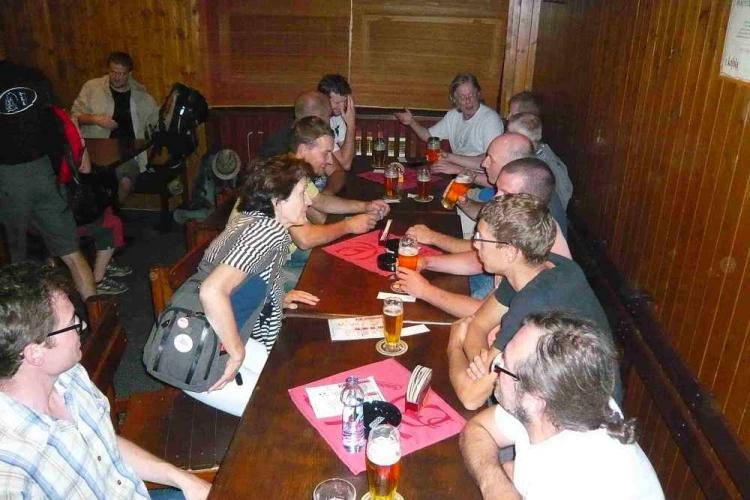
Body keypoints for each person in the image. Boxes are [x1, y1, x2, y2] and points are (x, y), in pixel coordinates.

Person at [0, 262, 211, 499]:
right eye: (71, 324)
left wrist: (182, 479)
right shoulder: (10, 467)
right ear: (34, 353)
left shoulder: (70, 376)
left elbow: (105, 445)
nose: (83, 326)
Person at [460, 312, 664, 499]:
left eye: (504, 364)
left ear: (535, 400)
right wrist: (496, 485)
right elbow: (477, 428)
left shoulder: (571, 484)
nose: (495, 365)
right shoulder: (561, 399)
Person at [175, 156, 320, 416]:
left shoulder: (254, 220)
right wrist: (236, 354)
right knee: (284, 411)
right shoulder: (266, 233)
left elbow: (242, 280)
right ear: (277, 200)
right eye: (301, 194)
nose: (309, 201)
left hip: (215, 333)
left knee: (293, 383)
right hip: (199, 356)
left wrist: (277, 296)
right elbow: (212, 291)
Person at [446, 194, 614, 410]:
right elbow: (479, 324)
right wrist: (486, 365)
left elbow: (471, 398)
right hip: (556, 399)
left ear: (510, 252)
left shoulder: (534, 303)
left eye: (481, 238)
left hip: (581, 416)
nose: (475, 244)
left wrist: (454, 345)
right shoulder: (537, 266)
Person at [397, 158, 571, 314]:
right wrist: (427, 262)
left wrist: (425, 291)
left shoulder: (534, 238)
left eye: (504, 193)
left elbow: (485, 314)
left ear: (529, 199)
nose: (495, 198)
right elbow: (479, 258)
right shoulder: (526, 219)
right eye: (497, 190)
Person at [0, 60, 96, 300]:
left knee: (16, 257)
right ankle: (98, 316)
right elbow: (57, 119)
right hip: (45, 171)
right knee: (71, 253)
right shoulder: (33, 74)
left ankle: (25, 317)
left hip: (8, 176)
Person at [71, 51, 159, 202]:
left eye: (122, 74)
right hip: (94, 155)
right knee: (89, 185)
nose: (117, 77)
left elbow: (156, 121)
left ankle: (111, 211)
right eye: (113, 72)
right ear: (108, 70)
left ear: (129, 74)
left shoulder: (142, 96)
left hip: (126, 157)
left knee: (125, 182)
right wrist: (95, 119)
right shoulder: (92, 87)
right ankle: (104, 211)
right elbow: (74, 116)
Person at [395, 73, 503, 175]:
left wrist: (450, 158)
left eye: (471, 95)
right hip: (457, 173)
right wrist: (411, 122)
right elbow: (429, 136)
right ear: (455, 100)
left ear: (478, 94)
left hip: (481, 179)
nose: (468, 100)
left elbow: (489, 161)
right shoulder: (453, 115)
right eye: (462, 97)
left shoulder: (490, 119)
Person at [258, 90, 347, 194]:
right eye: (328, 117)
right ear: (315, 119)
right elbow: (310, 203)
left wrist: (327, 193)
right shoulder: (280, 153)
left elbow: (337, 172)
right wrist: (322, 199)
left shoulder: (315, 139)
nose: (329, 122)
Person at [507, 112, 572, 209]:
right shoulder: (541, 151)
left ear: (527, 140)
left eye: (511, 135)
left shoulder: (537, 166)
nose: (506, 138)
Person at [76, 206, 131, 295]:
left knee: (107, 209)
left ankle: (105, 263)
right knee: (112, 224)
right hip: (67, 224)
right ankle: (98, 281)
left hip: (72, 216)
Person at [317, 74, 356, 171]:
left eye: (344, 101)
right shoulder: (318, 125)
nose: (342, 107)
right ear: (324, 100)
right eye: (337, 103)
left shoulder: (336, 118)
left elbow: (350, 154)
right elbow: (346, 164)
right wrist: (351, 125)